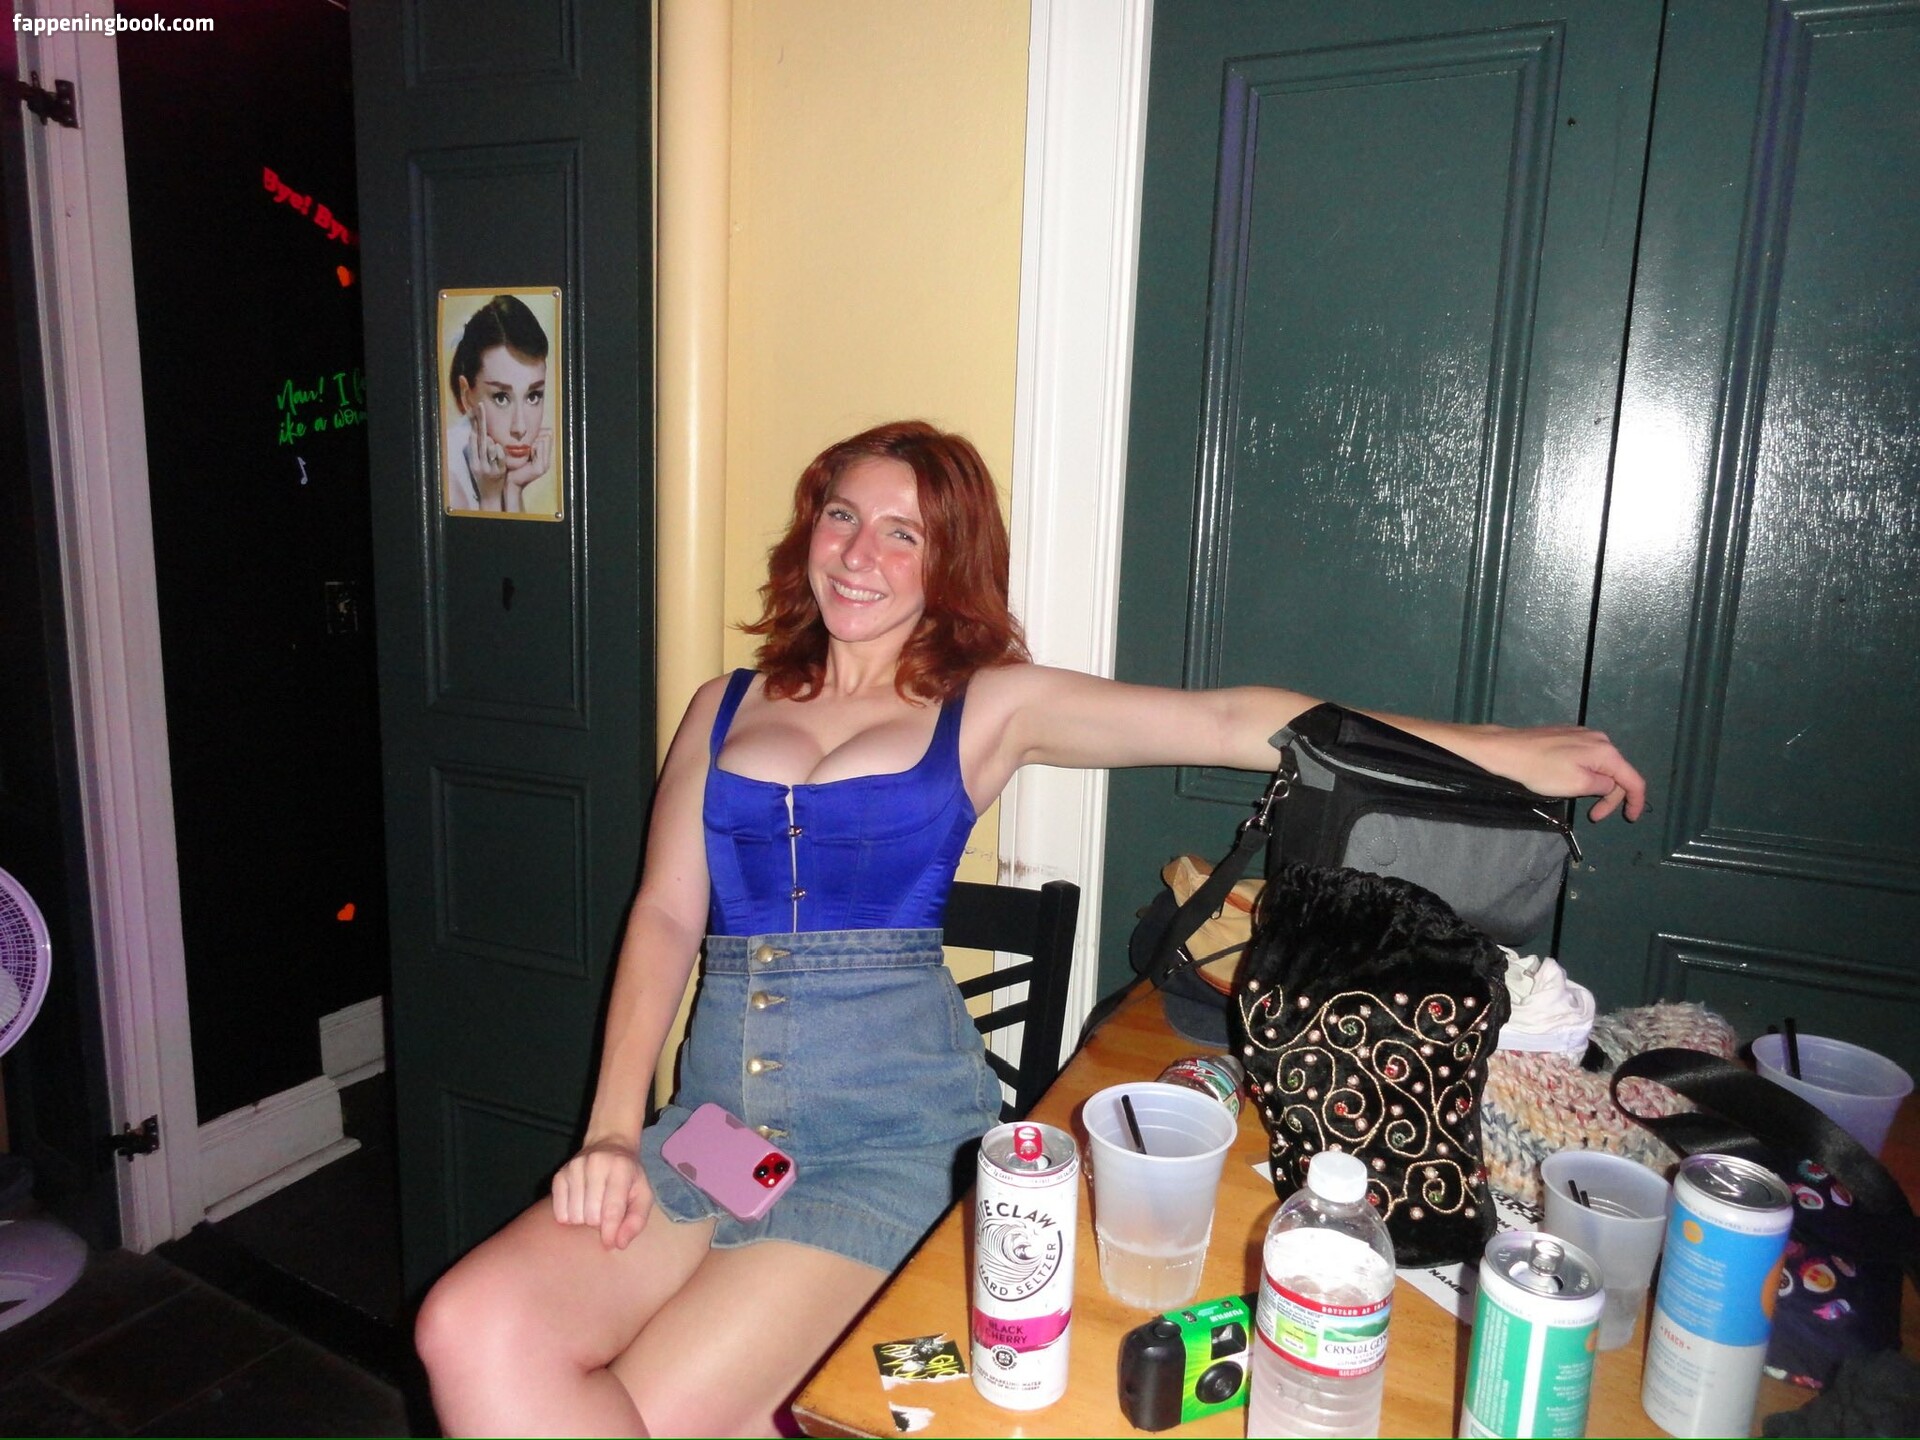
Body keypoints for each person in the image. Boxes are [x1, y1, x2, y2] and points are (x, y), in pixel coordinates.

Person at [413, 419, 1646, 1436]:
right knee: (468, 1328)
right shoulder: (721, 705)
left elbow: (1235, 721)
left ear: (946, 564)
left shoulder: (986, 707)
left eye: (904, 533)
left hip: (886, 1139)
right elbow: (665, 914)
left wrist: (1503, 754)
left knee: (651, 1411)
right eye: (842, 515)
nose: (859, 553)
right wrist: (610, 1130)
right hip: (714, 1131)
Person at [443, 294, 554, 514]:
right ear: (467, 396)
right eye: (501, 398)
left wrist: (513, 489)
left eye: (533, 396)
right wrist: (491, 498)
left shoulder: (499, 469)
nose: (520, 428)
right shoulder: (449, 481)